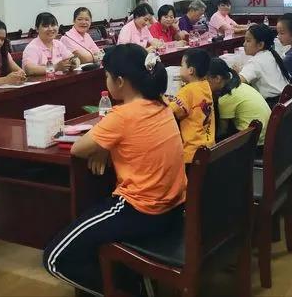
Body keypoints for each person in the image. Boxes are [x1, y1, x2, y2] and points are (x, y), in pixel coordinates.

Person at [43, 44, 186, 295]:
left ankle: (125, 291)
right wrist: (107, 148)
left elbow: (78, 149)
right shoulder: (161, 104)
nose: (106, 81)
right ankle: (129, 283)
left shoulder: (123, 115)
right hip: (172, 209)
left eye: (107, 76)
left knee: (54, 259)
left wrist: (103, 147)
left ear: (119, 81)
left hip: (140, 211)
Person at [165, 49, 215, 163]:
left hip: (192, 153)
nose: (180, 68)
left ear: (191, 70)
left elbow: (172, 111)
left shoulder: (187, 91)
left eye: (182, 65)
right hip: (209, 146)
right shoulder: (205, 86)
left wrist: (164, 100)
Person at [207, 57, 269, 145]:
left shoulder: (226, 98)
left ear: (218, 78)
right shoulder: (239, 85)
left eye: (206, 80)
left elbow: (223, 131)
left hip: (255, 142)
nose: (204, 84)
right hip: (266, 135)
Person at [237, 24, 290, 106]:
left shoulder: (255, 61)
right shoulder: (271, 54)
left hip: (272, 106)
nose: (244, 44)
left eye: (248, 41)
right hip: (285, 101)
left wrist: (235, 73)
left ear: (260, 45)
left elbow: (236, 82)